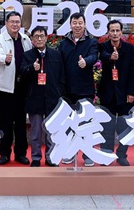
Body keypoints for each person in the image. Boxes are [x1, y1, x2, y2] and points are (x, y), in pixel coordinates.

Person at [57, 12, 99, 166]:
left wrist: (86, 62)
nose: (77, 26)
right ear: (70, 25)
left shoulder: (91, 42)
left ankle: (88, 154)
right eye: (74, 23)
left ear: (85, 24)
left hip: (85, 89)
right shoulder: (63, 43)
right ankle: (70, 153)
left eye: (80, 23)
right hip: (68, 90)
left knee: (86, 123)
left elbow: (94, 56)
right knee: (69, 124)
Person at [0, 11, 32, 165]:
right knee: (5, 123)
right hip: (5, 88)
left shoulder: (25, 39)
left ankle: (21, 153)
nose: (15, 25)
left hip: (23, 87)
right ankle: (4, 154)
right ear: (6, 23)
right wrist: (6, 59)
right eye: (12, 22)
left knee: (21, 123)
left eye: (17, 22)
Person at [21, 26, 64, 167]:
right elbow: (21, 73)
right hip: (35, 98)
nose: (39, 39)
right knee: (36, 131)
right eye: (36, 36)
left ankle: (51, 157)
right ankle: (36, 157)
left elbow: (62, 76)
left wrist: (60, 94)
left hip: (53, 98)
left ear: (46, 38)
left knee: (52, 131)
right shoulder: (27, 55)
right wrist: (31, 68)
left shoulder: (56, 55)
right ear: (32, 39)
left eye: (42, 36)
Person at [97, 20, 134, 166]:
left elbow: (133, 72)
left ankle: (121, 154)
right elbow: (102, 55)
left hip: (125, 93)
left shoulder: (129, 49)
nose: (114, 33)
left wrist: (131, 92)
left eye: (117, 30)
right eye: (112, 31)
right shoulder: (103, 46)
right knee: (106, 127)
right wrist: (110, 57)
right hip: (107, 94)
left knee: (124, 127)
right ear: (108, 33)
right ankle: (106, 154)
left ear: (121, 32)